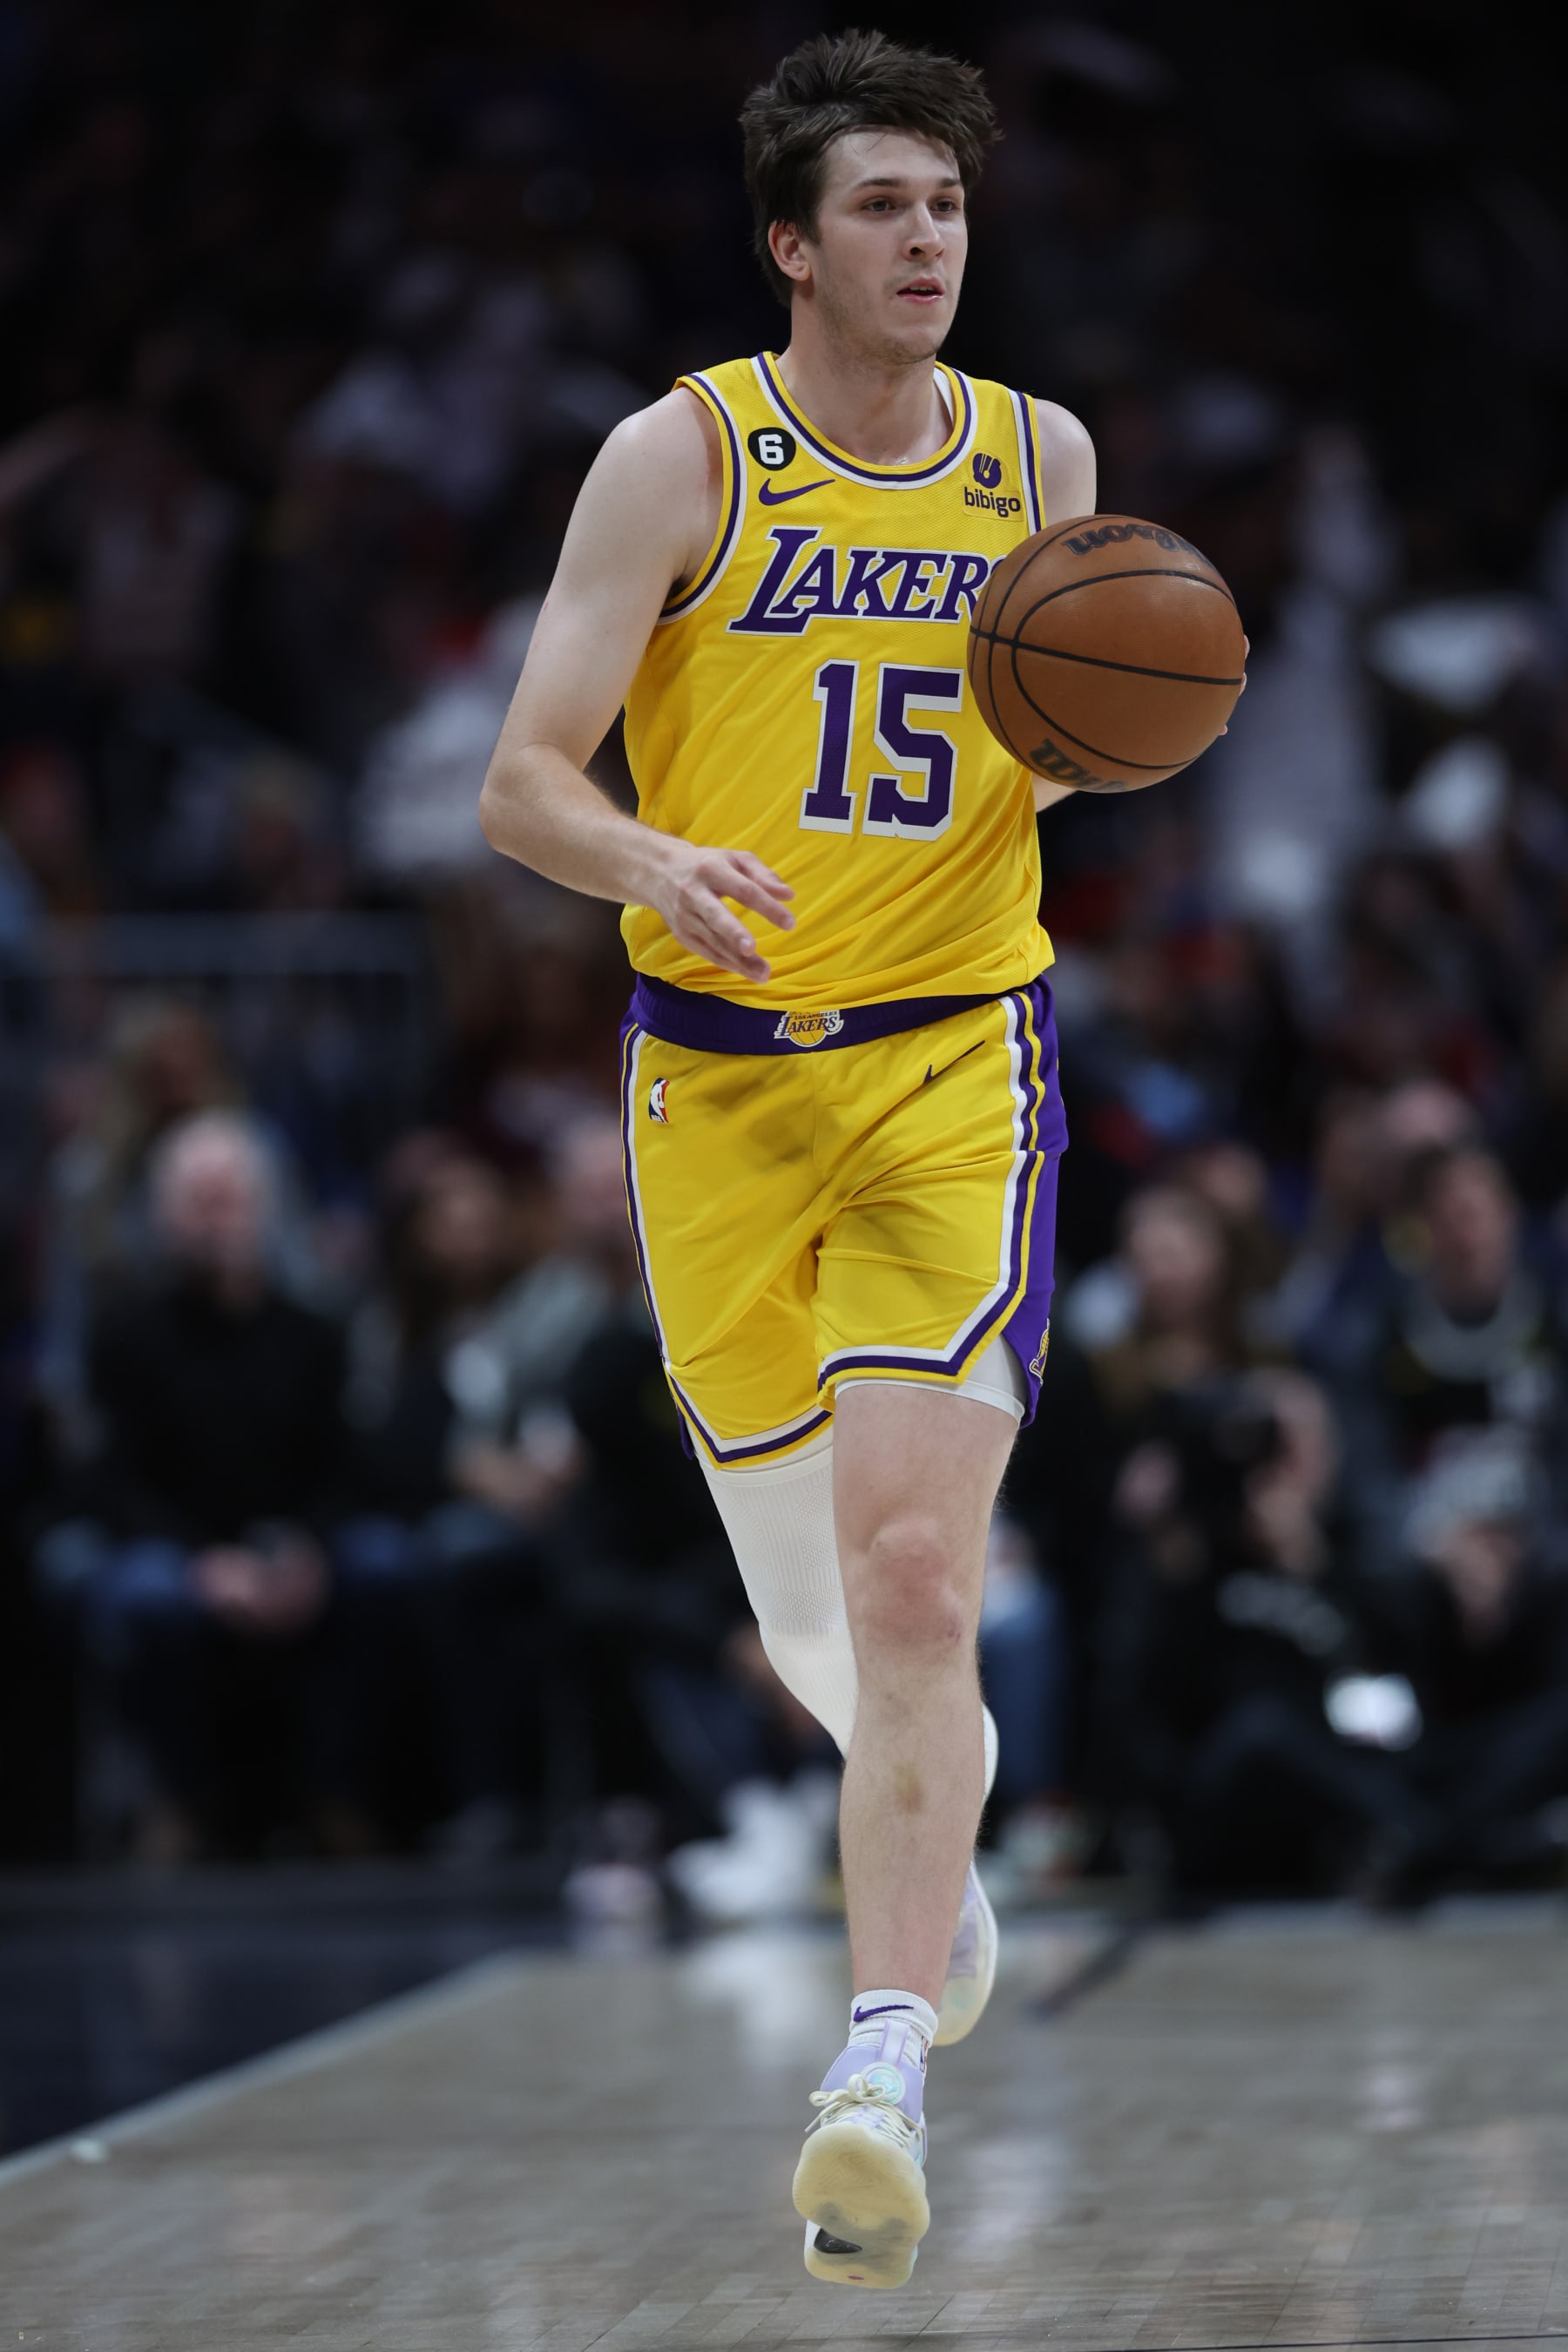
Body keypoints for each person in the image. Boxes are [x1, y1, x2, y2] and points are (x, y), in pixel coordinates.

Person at [479, 30, 1102, 2287]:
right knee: (822, 1621)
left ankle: (876, 2062)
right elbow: (518, 782)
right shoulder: (681, 457)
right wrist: (653, 854)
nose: (927, 240)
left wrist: (1128, 720)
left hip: (956, 1060)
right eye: (882, 208)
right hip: (718, 1083)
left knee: (923, 1580)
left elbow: (1078, 732)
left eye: (947, 205)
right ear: (790, 245)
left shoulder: (1041, 457)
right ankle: (941, 1861)